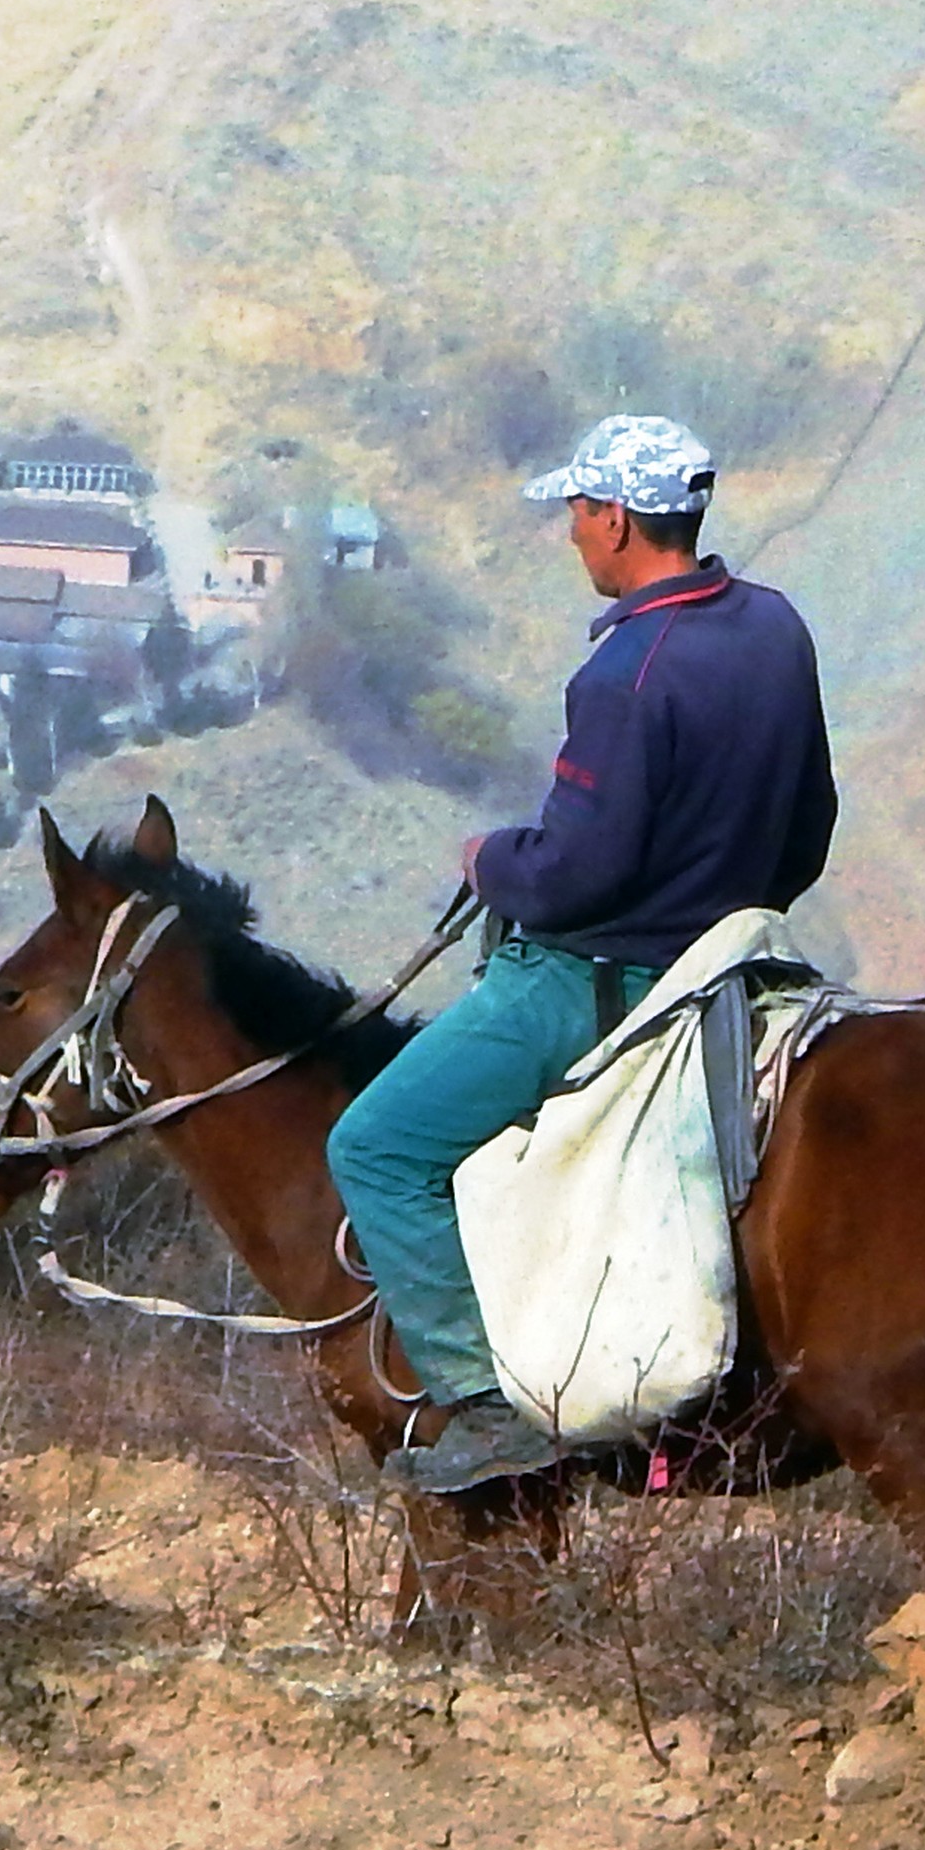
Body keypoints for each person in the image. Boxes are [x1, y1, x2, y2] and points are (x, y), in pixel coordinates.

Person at [326, 414, 838, 1494]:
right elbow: (810, 824)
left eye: (575, 512)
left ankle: (478, 1403)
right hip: (733, 963)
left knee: (374, 1146)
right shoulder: (774, 629)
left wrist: (491, 860)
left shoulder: (624, 674)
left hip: (592, 985)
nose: (569, 533)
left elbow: (576, 876)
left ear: (613, 517)